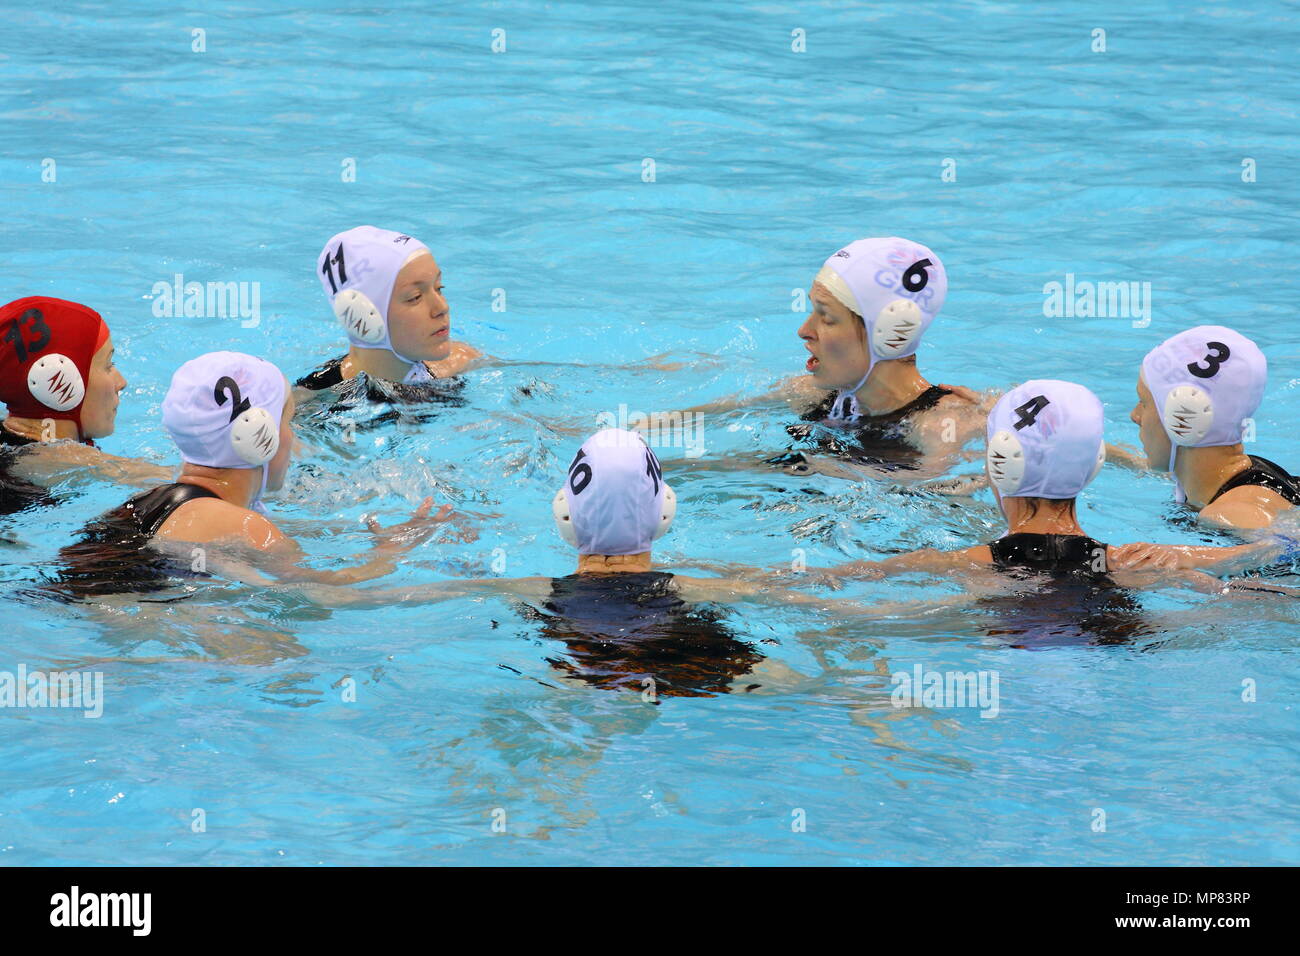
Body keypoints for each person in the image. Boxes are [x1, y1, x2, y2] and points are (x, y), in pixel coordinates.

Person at [310, 428, 940, 697]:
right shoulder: (701, 584)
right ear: (664, 513)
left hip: (579, 648)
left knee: (584, 700)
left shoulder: (527, 586)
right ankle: (875, 713)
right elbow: (818, 597)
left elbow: (357, 601)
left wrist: (392, 550)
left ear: (565, 516)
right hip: (686, 647)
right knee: (810, 692)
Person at [51, 351, 455, 599]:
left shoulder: (157, 499)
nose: (293, 441)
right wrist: (389, 555)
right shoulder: (247, 527)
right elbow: (327, 595)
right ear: (256, 436)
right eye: (288, 423)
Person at [795, 380, 1284, 584]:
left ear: (999, 463)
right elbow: (1275, 558)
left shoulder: (952, 563)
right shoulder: (1141, 561)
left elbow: (808, 588)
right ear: (1093, 468)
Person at [646, 237, 988, 479]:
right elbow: (704, 417)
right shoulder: (814, 394)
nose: (804, 330)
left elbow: (928, 482)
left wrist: (815, 466)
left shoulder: (941, 423)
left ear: (890, 332)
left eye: (826, 317)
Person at [0, 296, 169, 514]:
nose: (121, 382)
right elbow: (181, 484)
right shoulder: (58, 459)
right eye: (108, 365)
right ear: (55, 381)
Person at [1129, 325, 1300, 529]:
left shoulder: (1233, 514)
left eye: (1144, 403)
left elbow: (1284, 544)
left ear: (1184, 416)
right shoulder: (1216, 478)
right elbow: (1148, 467)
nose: (1135, 415)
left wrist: (1188, 557)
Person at [295, 225, 482, 409]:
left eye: (439, 288)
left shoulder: (461, 359)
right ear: (362, 315)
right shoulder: (316, 400)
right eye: (415, 297)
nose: (442, 307)